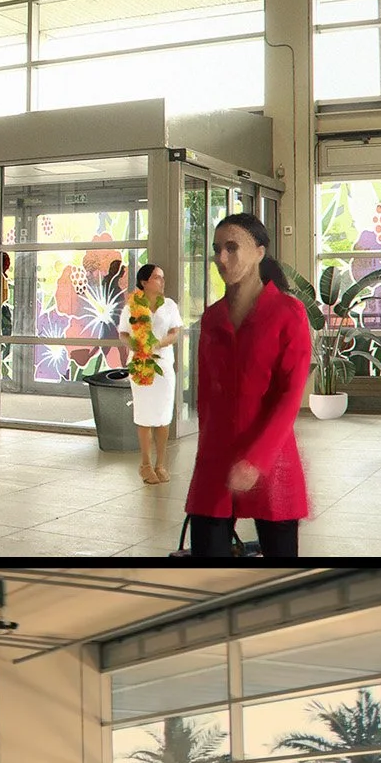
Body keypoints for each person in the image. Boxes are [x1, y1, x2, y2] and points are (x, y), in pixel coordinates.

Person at [184, 212, 311, 560]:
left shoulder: (289, 312)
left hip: (270, 456)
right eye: (216, 249)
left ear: (259, 252)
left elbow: (290, 395)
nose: (221, 258)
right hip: (215, 459)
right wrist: (207, 456)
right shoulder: (212, 318)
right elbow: (207, 399)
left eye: (231, 248)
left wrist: (256, 459)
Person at [126, 261, 184, 485]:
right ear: (144, 282)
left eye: (162, 277)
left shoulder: (169, 305)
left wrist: (157, 344)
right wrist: (138, 345)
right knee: (144, 414)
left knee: (162, 415)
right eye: (157, 277)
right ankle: (145, 464)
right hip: (141, 365)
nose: (162, 281)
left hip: (164, 366)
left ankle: (161, 463)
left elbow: (175, 332)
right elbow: (124, 333)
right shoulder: (132, 305)